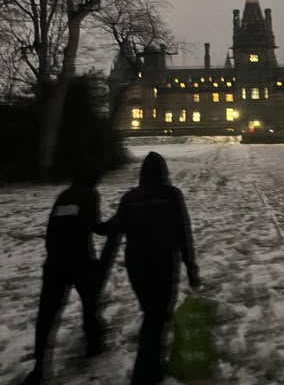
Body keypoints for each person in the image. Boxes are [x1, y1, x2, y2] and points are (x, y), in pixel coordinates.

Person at [104, 151, 200, 385]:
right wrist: (190, 267)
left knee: (152, 312)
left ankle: (152, 364)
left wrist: (91, 227)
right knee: (156, 316)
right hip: (163, 261)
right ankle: (145, 372)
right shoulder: (171, 195)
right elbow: (182, 233)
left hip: (136, 263)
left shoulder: (130, 197)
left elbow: (115, 228)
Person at [23, 168, 110, 385]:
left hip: (54, 263)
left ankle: (39, 368)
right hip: (80, 260)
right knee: (90, 304)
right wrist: (117, 224)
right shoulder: (89, 195)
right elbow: (95, 227)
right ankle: (93, 344)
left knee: (47, 317)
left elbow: (52, 230)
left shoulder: (64, 195)